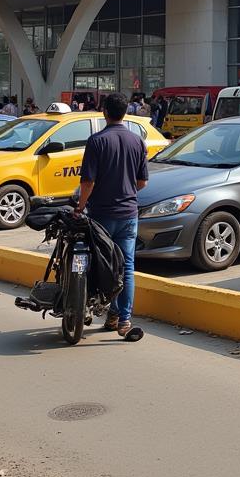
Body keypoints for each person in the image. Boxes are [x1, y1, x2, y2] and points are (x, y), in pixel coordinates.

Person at [74, 92, 149, 338]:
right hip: (129, 215)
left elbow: (87, 183)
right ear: (125, 112)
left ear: (105, 112)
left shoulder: (96, 141)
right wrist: (125, 191)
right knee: (126, 267)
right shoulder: (137, 141)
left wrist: (80, 207)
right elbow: (142, 182)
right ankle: (122, 319)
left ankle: (101, 309)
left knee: (99, 265)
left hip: (101, 216)